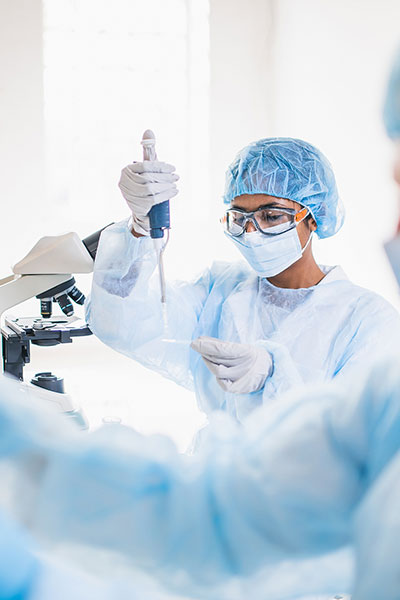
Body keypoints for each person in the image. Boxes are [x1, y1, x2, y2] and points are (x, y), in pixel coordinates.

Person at [86, 137, 400, 424]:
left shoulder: (368, 319)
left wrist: (275, 376)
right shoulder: (220, 289)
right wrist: (140, 229)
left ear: (315, 215)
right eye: (240, 217)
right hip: (220, 476)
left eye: (272, 216)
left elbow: (357, 434)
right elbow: (123, 324)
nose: (251, 232)